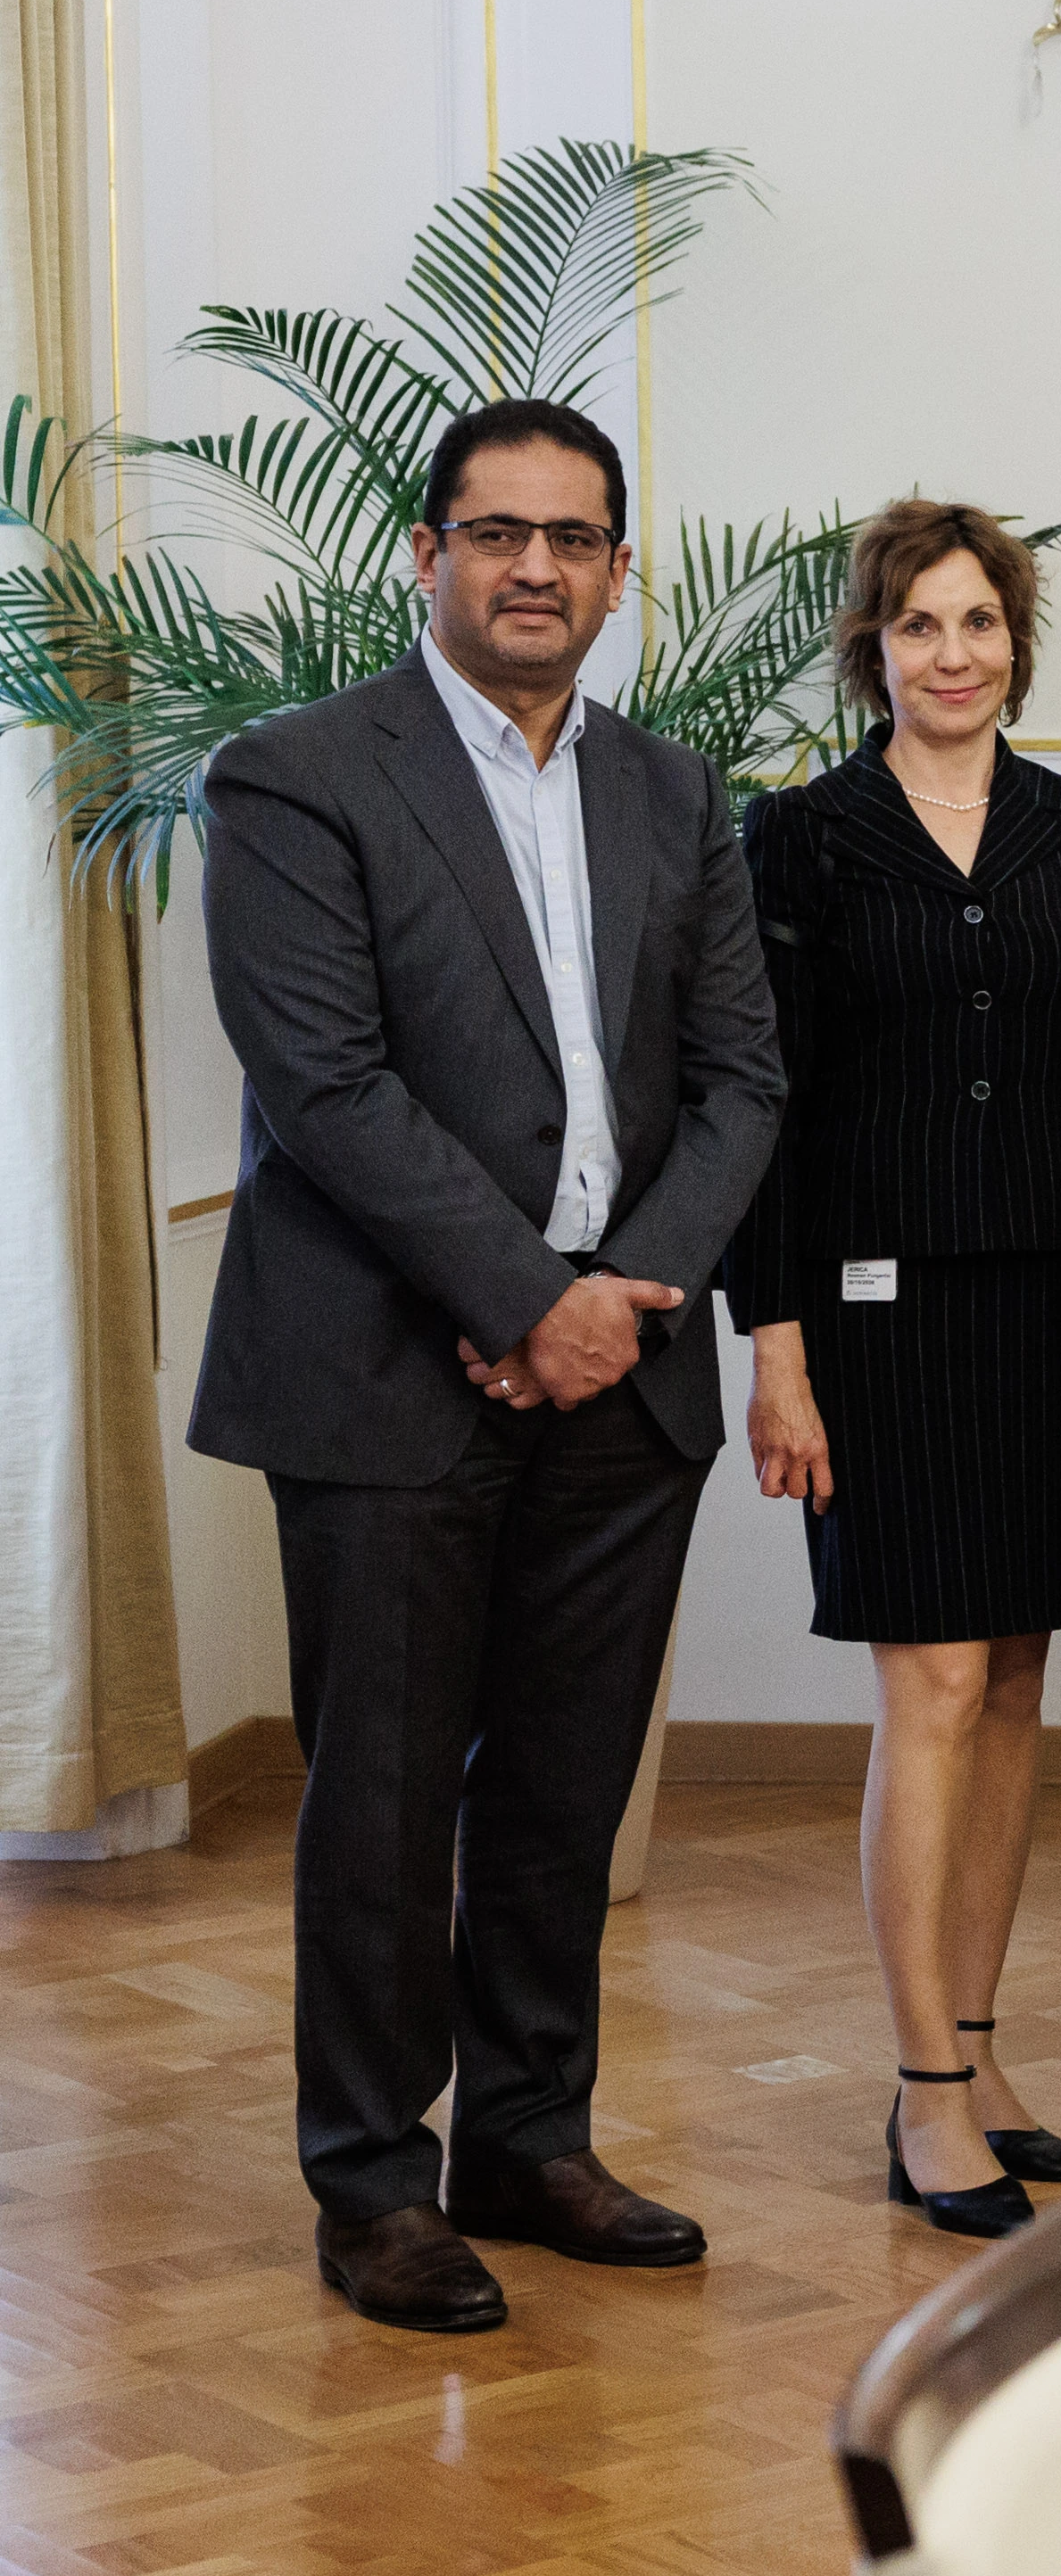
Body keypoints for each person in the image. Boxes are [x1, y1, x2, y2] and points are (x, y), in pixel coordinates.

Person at [193, 397, 783, 2332]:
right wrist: (532, 1297)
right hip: (385, 1373)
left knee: (560, 1786)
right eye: (499, 531)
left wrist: (621, 1297)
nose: (537, 566)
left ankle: (528, 2139)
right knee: (378, 1799)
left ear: (619, 571)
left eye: (574, 537)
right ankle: (372, 2181)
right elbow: (326, 1082)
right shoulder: (295, 775)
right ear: (428, 552)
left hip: (625, 1375)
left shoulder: (677, 792)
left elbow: (742, 1081)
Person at [726, 500, 1061, 2238]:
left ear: (1014, 644)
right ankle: (920, 2090)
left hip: (1046, 1308)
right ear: (872, 648)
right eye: (919, 625)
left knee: (1021, 1683)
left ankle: (976, 2047)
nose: (952, 652)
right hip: (875, 1323)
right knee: (937, 1688)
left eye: (978, 622)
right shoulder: (802, 837)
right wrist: (777, 1347)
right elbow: (760, 1100)